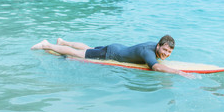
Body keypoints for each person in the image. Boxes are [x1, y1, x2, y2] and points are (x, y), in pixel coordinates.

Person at [31, 35, 195, 79]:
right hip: (111, 53)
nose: (166, 54)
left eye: (169, 53)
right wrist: (178, 72)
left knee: (88, 48)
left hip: (116, 48)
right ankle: (46, 44)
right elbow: (156, 67)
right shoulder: (148, 53)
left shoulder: (155, 46)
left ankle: (63, 41)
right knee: (78, 54)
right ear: (159, 46)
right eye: (165, 51)